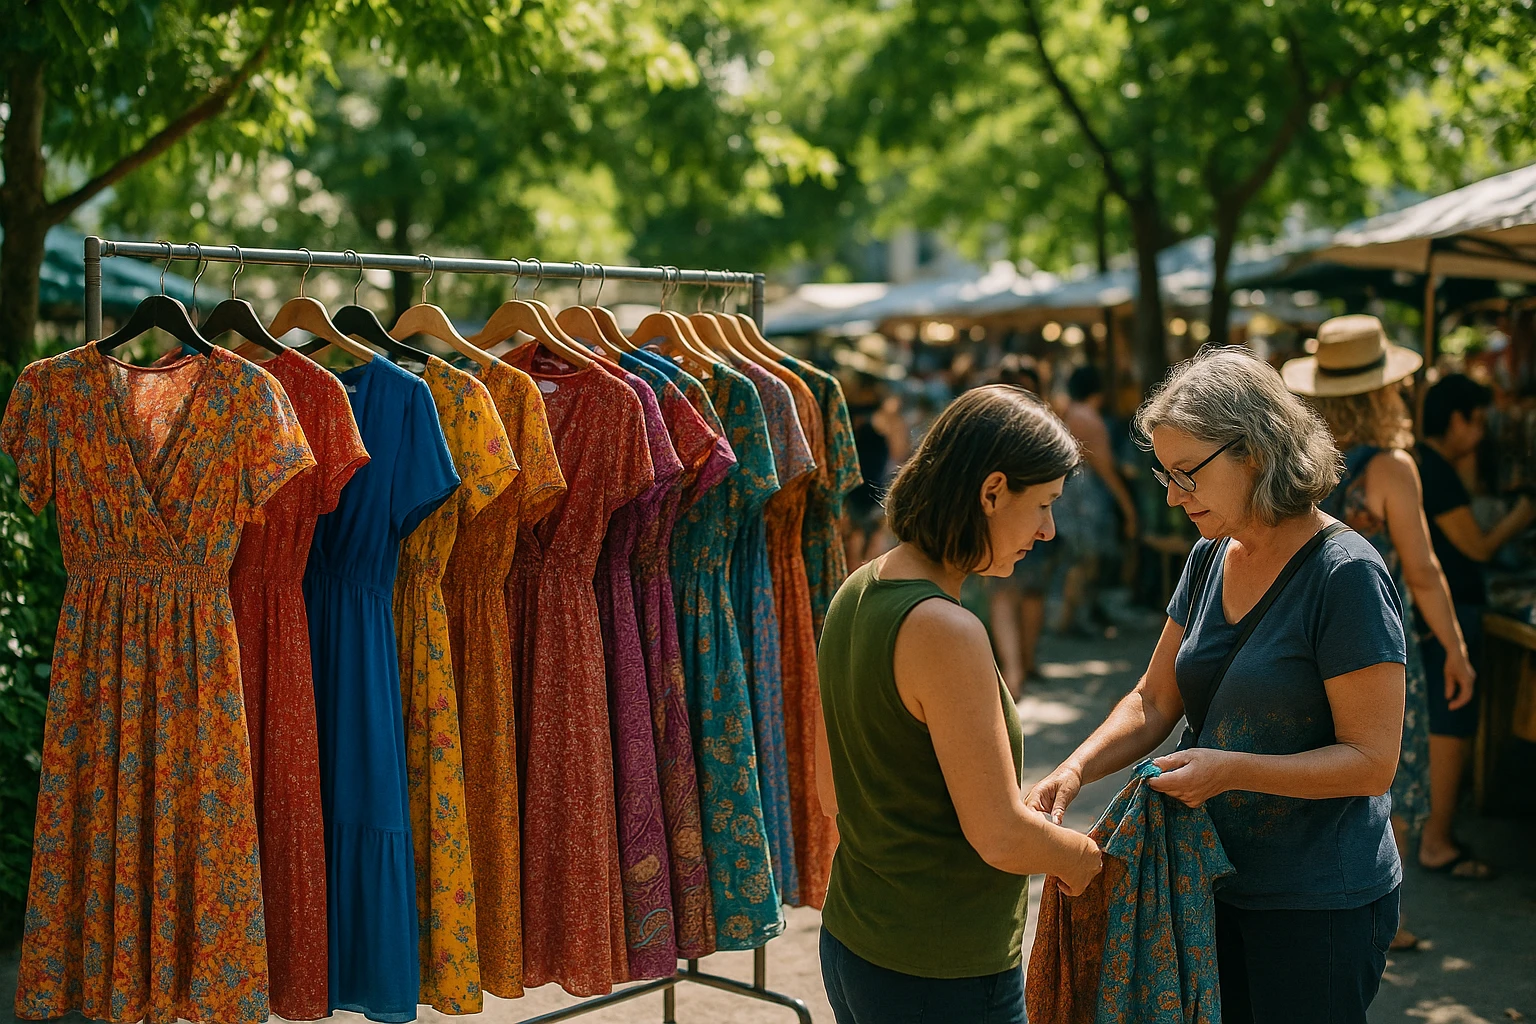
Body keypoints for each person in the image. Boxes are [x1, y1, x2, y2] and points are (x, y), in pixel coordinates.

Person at [1030, 347, 1407, 1024]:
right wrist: (1074, 769)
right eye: (1164, 473)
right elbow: (1153, 699)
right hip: (1211, 885)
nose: (1173, 496)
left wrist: (1229, 771)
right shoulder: (1208, 556)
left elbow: (1372, 763)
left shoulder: (1345, 573)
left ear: (1255, 455)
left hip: (1318, 903)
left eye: (1186, 474)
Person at [815, 385, 1103, 1024]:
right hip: (939, 969)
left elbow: (835, 793)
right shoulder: (945, 629)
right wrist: (1087, 860)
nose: (1049, 530)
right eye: (1044, 506)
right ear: (992, 490)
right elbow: (1000, 836)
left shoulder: (858, 586)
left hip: (857, 943)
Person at [1283, 314, 1475, 950]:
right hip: (1380, 648)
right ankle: (1377, 914)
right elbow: (1421, 571)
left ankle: (1319, 896)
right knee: (1383, 771)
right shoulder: (1393, 468)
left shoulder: (1296, 462)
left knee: (1321, 768)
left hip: (1305, 640)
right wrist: (1455, 646)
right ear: (1382, 390)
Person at [1414, 373, 1536, 880]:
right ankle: (1437, 840)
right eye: (1478, 420)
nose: (1483, 432)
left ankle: (1434, 834)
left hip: (1442, 610)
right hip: (1446, 613)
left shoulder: (1433, 465)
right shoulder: (1433, 470)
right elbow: (1478, 548)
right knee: (1452, 721)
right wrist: (1527, 509)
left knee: (1446, 720)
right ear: (1457, 419)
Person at [987, 356, 1056, 696]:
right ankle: (1018, 668)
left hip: (1023, 519)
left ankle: (1020, 666)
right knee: (1017, 594)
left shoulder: (991, 422)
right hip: (1016, 520)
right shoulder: (1043, 422)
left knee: (1023, 595)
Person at [1055, 365, 1139, 634]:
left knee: (1078, 558)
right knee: (1087, 560)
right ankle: (1073, 619)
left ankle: (1072, 617)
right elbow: (1106, 469)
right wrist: (1129, 510)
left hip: (1069, 492)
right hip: (1086, 497)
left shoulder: (1067, 412)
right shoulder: (1090, 419)